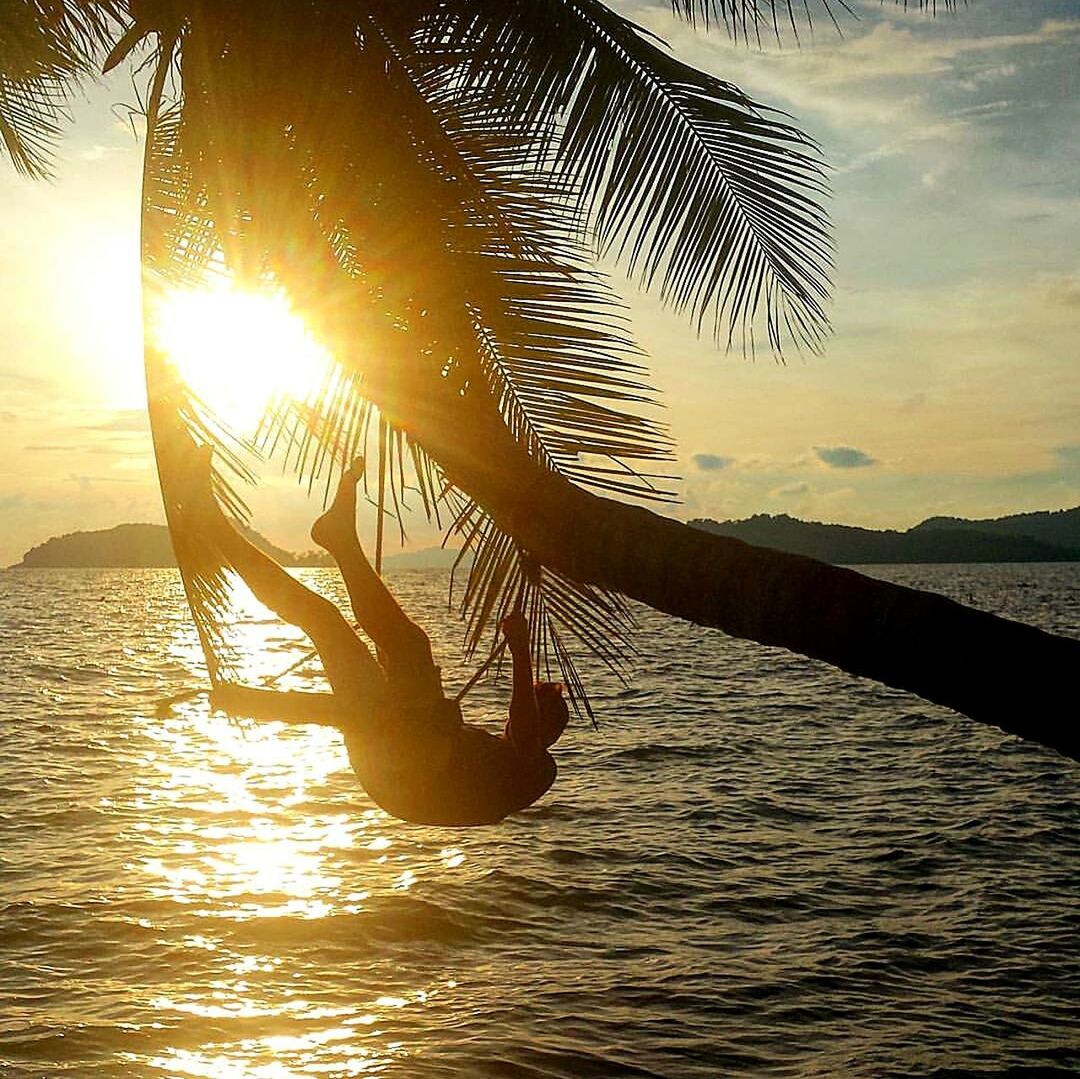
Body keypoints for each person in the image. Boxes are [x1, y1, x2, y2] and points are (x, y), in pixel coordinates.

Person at [184, 449, 569, 826]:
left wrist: (520, 651)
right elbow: (347, 715)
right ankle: (213, 523)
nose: (514, 714)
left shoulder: (536, 767)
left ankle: (341, 541)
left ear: (547, 729)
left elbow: (524, 733)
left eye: (532, 710)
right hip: (388, 771)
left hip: (408, 776)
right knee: (324, 620)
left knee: (411, 651)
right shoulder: (499, 759)